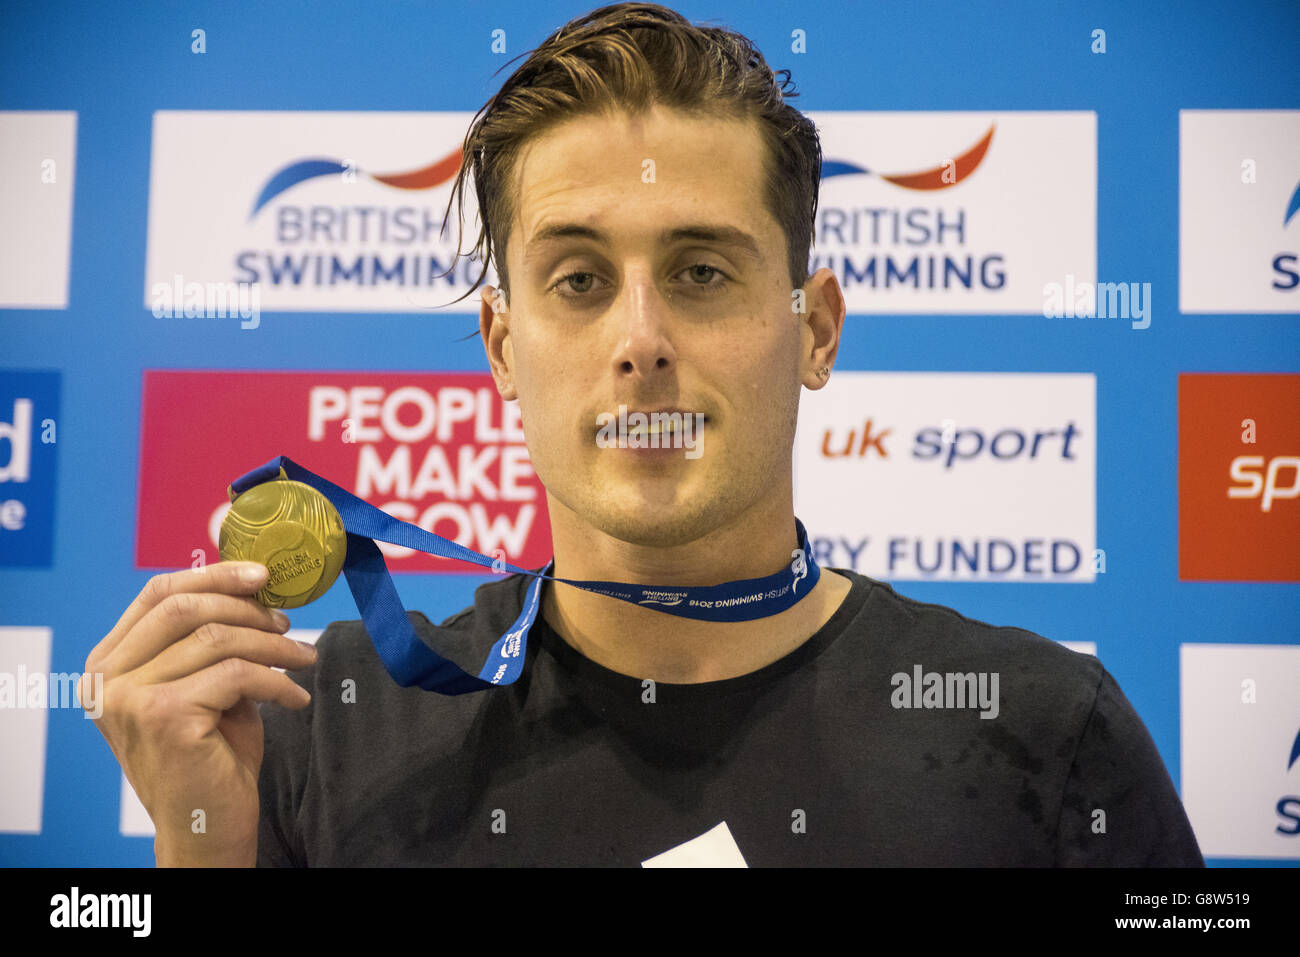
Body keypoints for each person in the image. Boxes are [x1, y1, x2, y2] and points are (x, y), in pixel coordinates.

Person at [86, 2, 1204, 866]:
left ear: (813, 331)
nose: (640, 339)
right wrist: (202, 845)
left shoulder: (1047, 734)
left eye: (701, 271)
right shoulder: (317, 728)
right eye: (577, 278)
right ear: (502, 349)